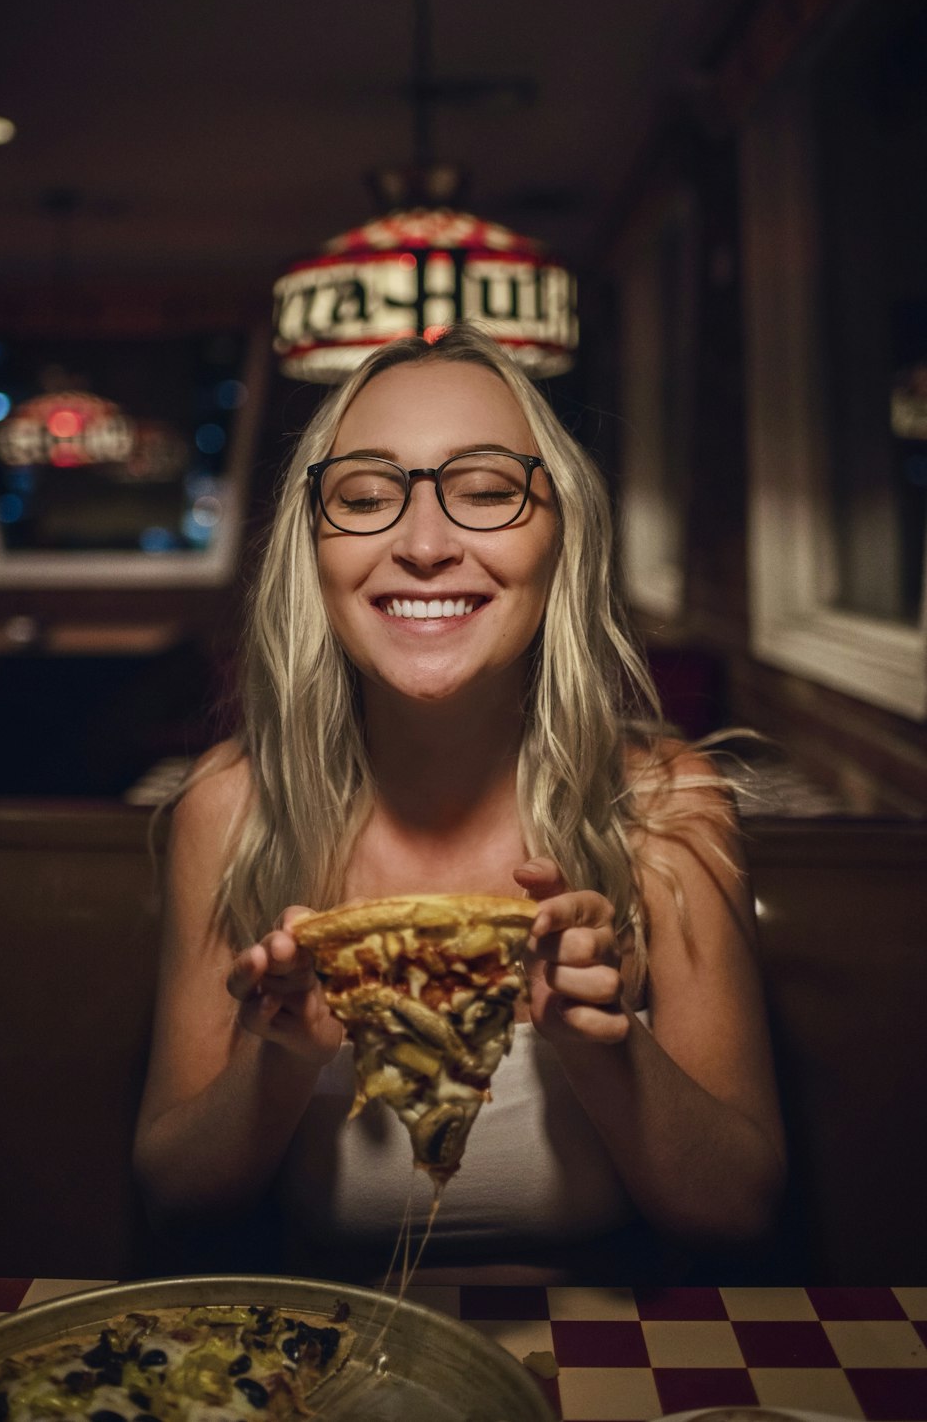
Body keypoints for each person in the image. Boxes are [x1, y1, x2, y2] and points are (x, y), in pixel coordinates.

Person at [134, 323, 786, 1283]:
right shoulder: (230, 807)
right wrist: (278, 1057)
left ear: (562, 533)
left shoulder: (664, 807)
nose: (426, 544)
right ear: (312, 549)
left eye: (486, 492)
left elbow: (740, 1211)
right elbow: (174, 1196)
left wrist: (601, 1046)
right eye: (364, 496)